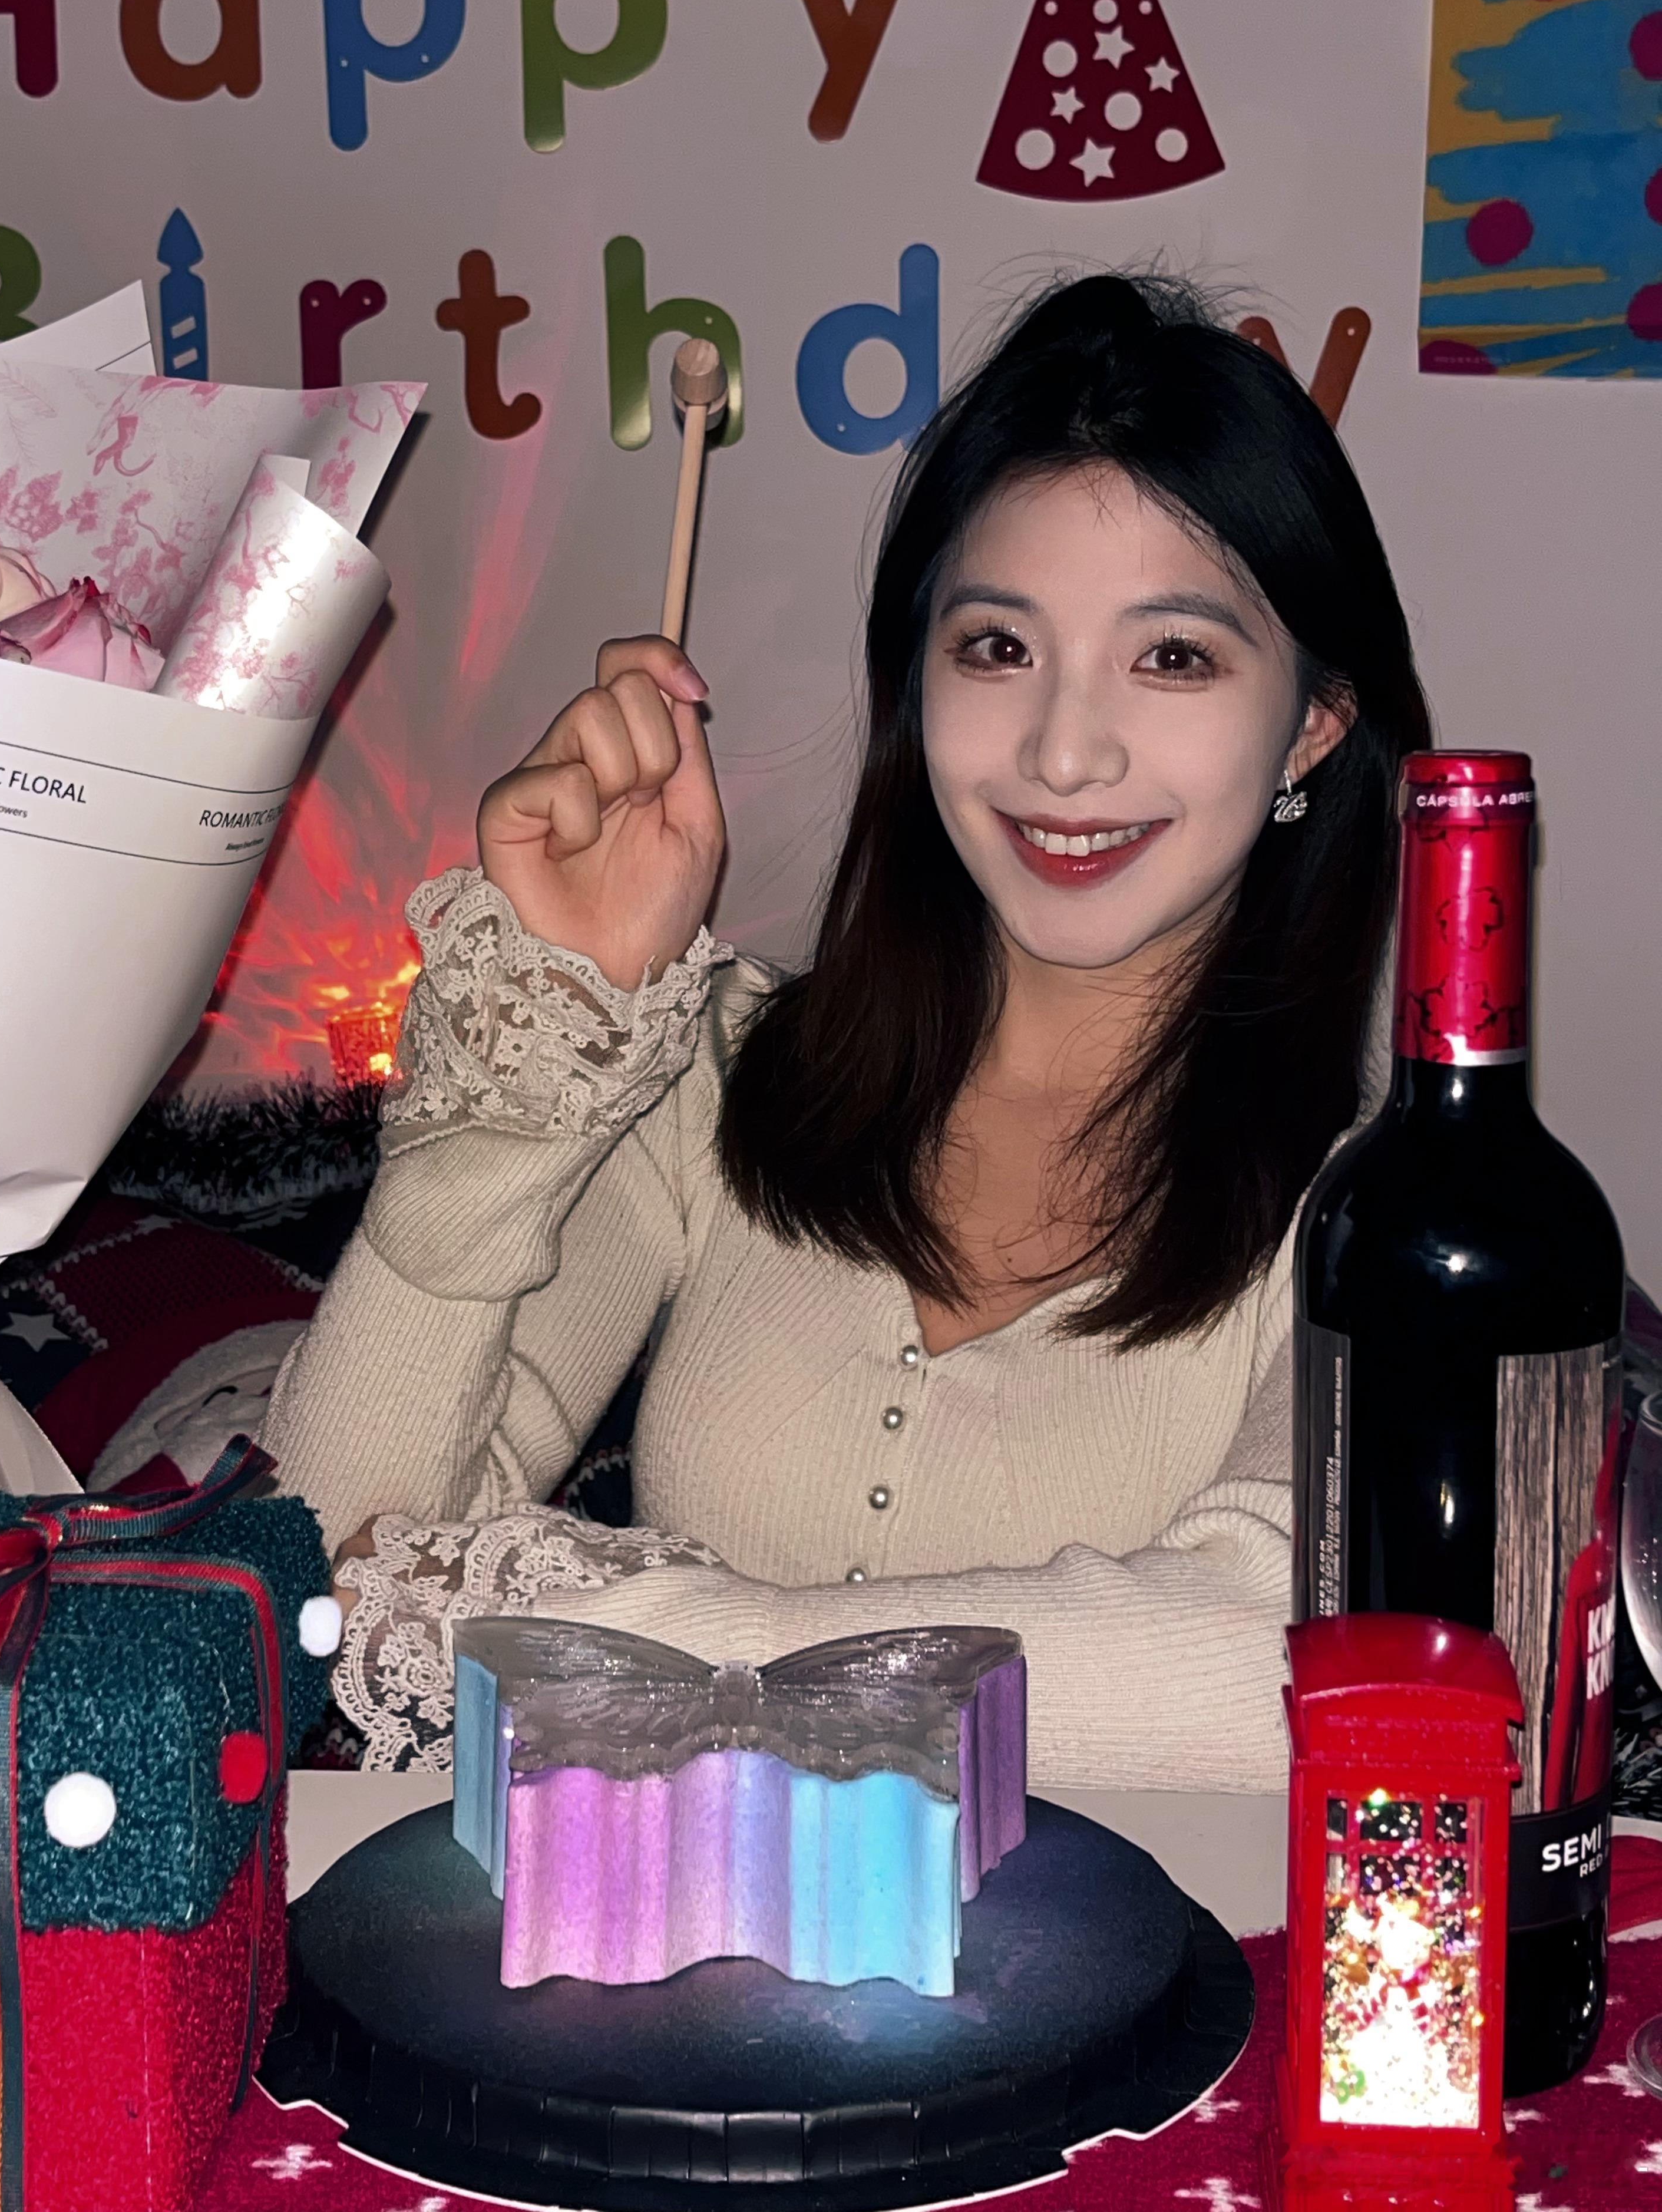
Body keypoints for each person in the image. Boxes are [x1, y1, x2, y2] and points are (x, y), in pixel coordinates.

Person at [263, 270, 1432, 1786]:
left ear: (1315, 725)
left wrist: (658, 1653)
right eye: (997, 648)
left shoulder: (1383, 1225)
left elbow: (1291, 1672)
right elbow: (322, 1561)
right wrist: (549, 1018)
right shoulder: (715, 1072)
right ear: (915, 682)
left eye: (1173, 657)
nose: (1064, 752)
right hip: (664, 1941)